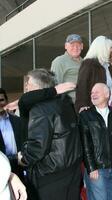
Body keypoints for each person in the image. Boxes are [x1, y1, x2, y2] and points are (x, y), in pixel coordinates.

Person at [17, 69, 82, 200]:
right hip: (72, 170)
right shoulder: (65, 103)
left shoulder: (40, 109)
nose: (26, 86)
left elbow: (38, 147)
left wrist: (23, 159)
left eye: (28, 82)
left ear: (36, 86)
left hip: (50, 174)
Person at [79, 83, 112, 200]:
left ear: (107, 94)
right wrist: (91, 168)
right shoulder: (85, 115)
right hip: (97, 169)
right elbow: (85, 144)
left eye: (97, 92)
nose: (93, 94)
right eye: (92, 93)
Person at [75, 35, 112, 112]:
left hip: (109, 109)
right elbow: (82, 87)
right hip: (93, 110)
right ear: (102, 49)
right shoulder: (88, 64)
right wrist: (82, 106)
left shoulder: (109, 66)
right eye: (110, 48)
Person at [51, 34, 83, 103]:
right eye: (72, 45)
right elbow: (55, 86)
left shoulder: (85, 62)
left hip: (86, 103)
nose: (75, 48)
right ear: (66, 46)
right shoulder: (59, 61)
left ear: (82, 46)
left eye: (78, 45)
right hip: (70, 105)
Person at [0, 88, 23, 178]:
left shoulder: (18, 121)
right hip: (2, 169)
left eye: (1, 100)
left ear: (7, 101)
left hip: (19, 166)